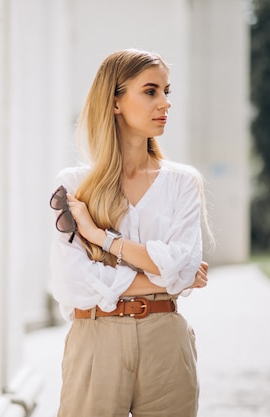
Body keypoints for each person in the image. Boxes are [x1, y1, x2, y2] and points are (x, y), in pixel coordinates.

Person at [50, 48, 212, 417]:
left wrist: (101, 238)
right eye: (151, 91)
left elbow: (183, 270)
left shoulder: (183, 183)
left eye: (167, 92)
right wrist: (165, 276)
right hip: (95, 341)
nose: (165, 103)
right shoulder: (75, 185)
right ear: (116, 101)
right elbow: (71, 282)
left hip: (165, 342)